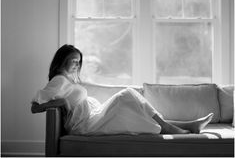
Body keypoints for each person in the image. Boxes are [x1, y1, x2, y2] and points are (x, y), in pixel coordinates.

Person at [31, 44, 214, 135]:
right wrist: (60, 102)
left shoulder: (68, 81)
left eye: (79, 62)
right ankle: (170, 127)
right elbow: (34, 107)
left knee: (136, 108)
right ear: (63, 60)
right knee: (127, 94)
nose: (77, 65)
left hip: (94, 116)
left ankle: (188, 126)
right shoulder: (58, 80)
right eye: (74, 61)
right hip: (86, 126)